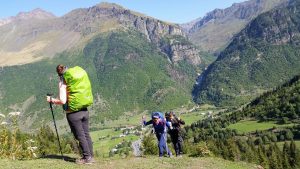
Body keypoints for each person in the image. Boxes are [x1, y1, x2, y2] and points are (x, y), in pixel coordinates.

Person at [46, 64, 94, 164]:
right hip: (84, 109)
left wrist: (52, 100)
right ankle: (90, 156)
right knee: (86, 134)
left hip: (73, 114)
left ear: (59, 74)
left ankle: (86, 158)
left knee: (80, 136)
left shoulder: (63, 81)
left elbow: (63, 101)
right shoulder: (76, 78)